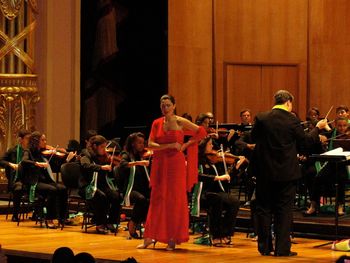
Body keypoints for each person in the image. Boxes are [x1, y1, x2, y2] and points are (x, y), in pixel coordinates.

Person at [251, 90, 327, 256]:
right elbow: (305, 143)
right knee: (284, 210)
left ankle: (264, 247)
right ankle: (282, 249)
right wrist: (317, 128)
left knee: (264, 209)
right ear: (288, 102)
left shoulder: (261, 118)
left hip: (264, 172)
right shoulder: (292, 120)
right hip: (286, 173)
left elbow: (253, 138)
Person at [137, 94, 206, 250]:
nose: (165, 108)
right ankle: (149, 237)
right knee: (157, 199)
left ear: (174, 106)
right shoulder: (157, 123)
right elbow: (150, 144)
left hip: (176, 164)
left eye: (168, 105)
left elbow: (201, 132)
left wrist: (185, 145)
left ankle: (172, 238)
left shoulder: (181, 121)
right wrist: (169, 146)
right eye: (162, 105)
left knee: (174, 200)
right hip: (160, 163)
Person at [197, 136, 240, 246]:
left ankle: (226, 233)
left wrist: (234, 169)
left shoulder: (214, 160)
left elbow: (225, 179)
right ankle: (216, 235)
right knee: (217, 200)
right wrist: (217, 178)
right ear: (203, 146)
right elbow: (198, 176)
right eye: (210, 144)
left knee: (234, 201)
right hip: (204, 193)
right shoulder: (198, 160)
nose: (212, 146)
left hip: (217, 192)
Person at [21, 131, 70, 228]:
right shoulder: (28, 151)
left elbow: (55, 167)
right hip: (34, 182)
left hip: (45, 181)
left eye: (45, 140)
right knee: (52, 190)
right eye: (42, 140)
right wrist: (36, 163)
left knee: (63, 188)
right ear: (36, 141)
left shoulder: (42, 153)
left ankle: (62, 217)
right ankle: (49, 218)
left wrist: (66, 159)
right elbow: (24, 161)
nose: (45, 142)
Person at [304, 117, 350, 216]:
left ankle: (340, 206)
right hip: (331, 163)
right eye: (339, 126)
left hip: (345, 165)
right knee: (318, 178)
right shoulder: (333, 132)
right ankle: (313, 205)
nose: (342, 128)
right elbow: (321, 136)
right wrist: (320, 137)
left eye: (344, 126)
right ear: (336, 125)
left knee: (341, 178)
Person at [79, 135, 121, 234]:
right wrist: (101, 167)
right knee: (101, 196)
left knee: (116, 196)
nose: (104, 150)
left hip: (101, 185)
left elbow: (108, 174)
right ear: (94, 146)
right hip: (87, 186)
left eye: (105, 147)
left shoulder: (104, 157)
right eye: (102, 147)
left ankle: (111, 222)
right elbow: (86, 166)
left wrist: (111, 169)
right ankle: (100, 223)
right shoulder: (85, 154)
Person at [119, 132, 151, 239]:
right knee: (141, 199)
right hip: (130, 189)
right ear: (133, 144)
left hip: (142, 188)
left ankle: (148, 224)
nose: (142, 145)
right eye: (139, 143)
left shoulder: (141, 155)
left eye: (143, 143)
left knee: (152, 198)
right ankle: (132, 222)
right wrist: (138, 163)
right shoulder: (126, 154)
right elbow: (123, 165)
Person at [0, 129, 31, 221]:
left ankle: (37, 214)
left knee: (41, 187)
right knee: (18, 189)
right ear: (21, 139)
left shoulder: (31, 151)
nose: (29, 141)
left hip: (29, 179)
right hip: (16, 180)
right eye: (27, 138)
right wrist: (11, 164)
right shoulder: (12, 150)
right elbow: (1, 161)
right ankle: (15, 215)